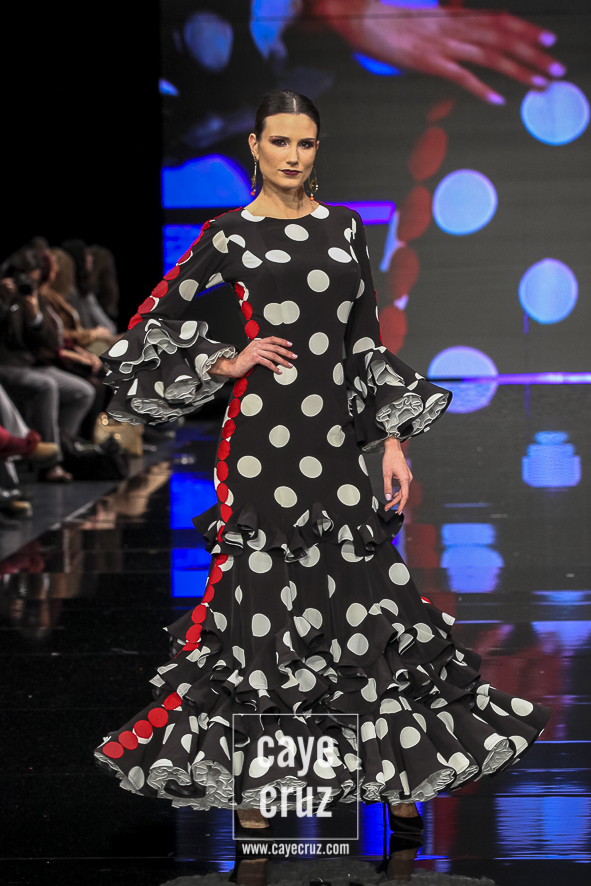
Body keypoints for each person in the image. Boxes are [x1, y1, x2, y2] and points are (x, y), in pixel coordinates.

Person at [94, 90, 550, 835]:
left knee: (362, 595)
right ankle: (257, 782)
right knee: (262, 601)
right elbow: (149, 323)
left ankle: (395, 774)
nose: (293, 156)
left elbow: (364, 343)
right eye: (279, 141)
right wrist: (224, 360)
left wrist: (393, 439)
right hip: (259, 444)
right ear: (254, 146)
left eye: (305, 143)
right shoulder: (229, 233)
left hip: (334, 444)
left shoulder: (343, 228)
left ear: (316, 148)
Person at [0, 248, 95, 481]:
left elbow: (50, 342)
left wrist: (34, 316)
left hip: (31, 364)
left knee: (83, 392)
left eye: (33, 280)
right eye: (23, 279)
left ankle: (61, 447)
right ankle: (50, 465)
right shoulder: (3, 295)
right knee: (46, 386)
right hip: (7, 365)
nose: (27, 285)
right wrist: (5, 303)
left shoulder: (34, 295)